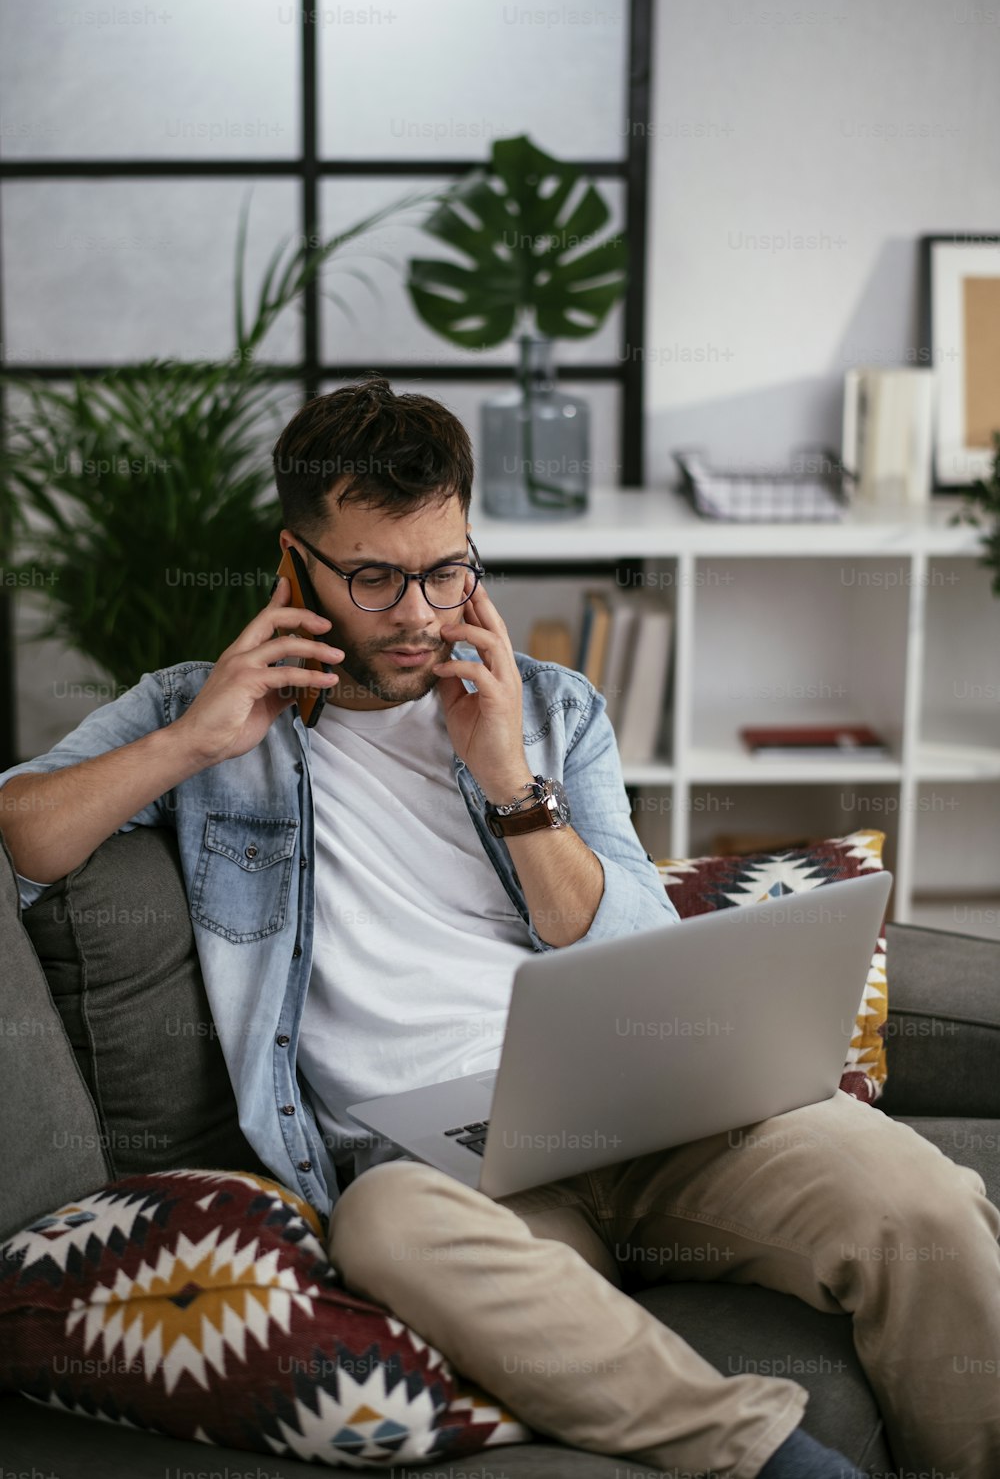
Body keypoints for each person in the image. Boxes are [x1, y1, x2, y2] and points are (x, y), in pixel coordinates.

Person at [0, 377, 996, 1479]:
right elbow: (24, 833)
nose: (420, 613)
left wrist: (512, 781)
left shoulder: (554, 711)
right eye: (375, 578)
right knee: (384, 1228)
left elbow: (628, 954)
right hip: (447, 1174)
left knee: (922, 1200)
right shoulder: (193, 711)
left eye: (446, 568)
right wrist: (192, 743)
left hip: (650, 1115)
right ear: (295, 564)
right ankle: (772, 1461)